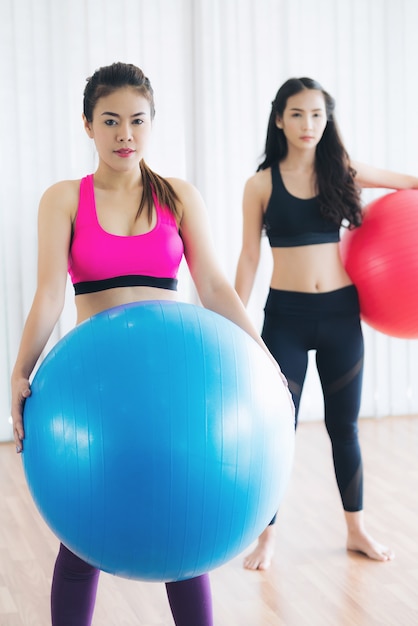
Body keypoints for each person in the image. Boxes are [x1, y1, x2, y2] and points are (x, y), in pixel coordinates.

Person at [10, 62, 290, 626]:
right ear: (87, 125)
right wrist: (19, 372)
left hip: (176, 392)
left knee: (186, 525)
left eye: (137, 121)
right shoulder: (64, 199)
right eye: (110, 121)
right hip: (99, 393)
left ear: (152, 123)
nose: (125, 135)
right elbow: (47, 296)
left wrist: (262, 359)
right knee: (80, 537)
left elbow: (213, 286)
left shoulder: (178, 196)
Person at [234, 76, 418, 571]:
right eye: (297, 113)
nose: (308, 124)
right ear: (279, 118)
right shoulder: (261, 184)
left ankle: (356, 529)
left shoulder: (344, 172)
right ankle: (266, 537)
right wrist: (231, 320)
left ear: (327, 120)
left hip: (340, 315)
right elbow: (250, 257)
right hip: (285, 320)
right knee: (280, 429)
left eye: (317, 114)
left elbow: (410, 183)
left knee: (344, 427)